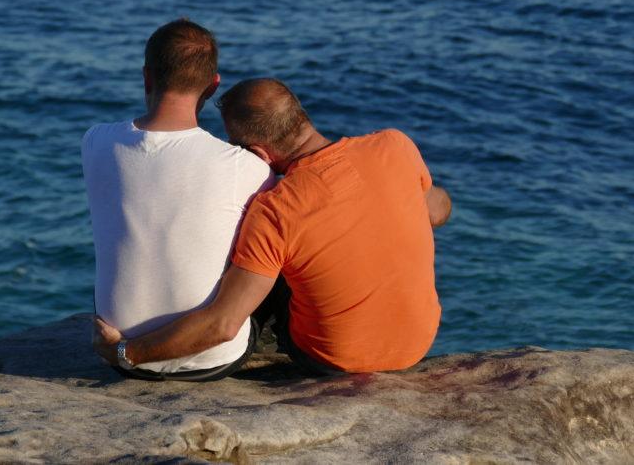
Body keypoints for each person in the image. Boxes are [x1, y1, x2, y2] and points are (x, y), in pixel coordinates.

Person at [94, 77, 451, 375]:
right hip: (416, 345)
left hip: (332, 360)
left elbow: (223, 324)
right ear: (300, 115)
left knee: (258, 264)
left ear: (261, 154)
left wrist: (127, 352)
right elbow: (439, 209)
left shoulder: (276, 209)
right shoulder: (395, 145)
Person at [83, 20, 274, 381]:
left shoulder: (95, 141)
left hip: (116, 347)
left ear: (146, 77)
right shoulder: (247, 169)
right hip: (209, 361)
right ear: (213, 85)